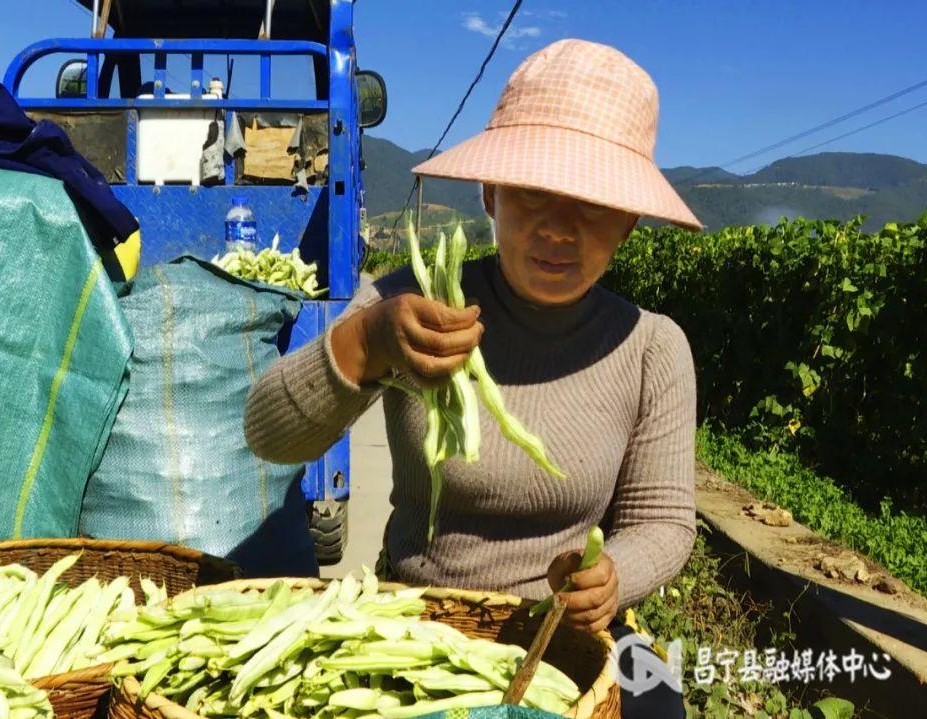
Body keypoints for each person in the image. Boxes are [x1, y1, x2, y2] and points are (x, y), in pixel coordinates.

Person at [245, 38, 700, 716]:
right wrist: (365, 343)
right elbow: (268, 435)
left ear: (629, 223)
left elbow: (663, 521)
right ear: (491, 193)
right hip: (420, 622)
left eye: (593, 203)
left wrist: (612, 578)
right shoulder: (417, 302)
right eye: (534, 191)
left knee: (659, 702)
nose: (560, 228)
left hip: (565, 634)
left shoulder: (651, 348)